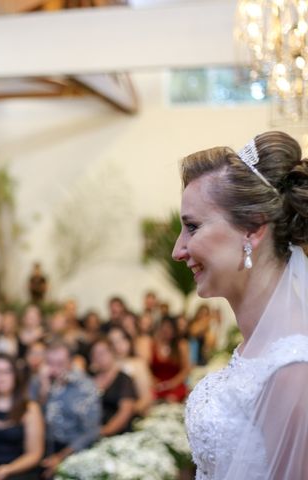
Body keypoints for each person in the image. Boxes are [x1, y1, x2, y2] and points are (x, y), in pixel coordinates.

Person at [172, 131, 308, 479]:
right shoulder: (256, 345)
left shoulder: (291, 370)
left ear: (253, 229)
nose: (178, 250)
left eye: (192, 227)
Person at [29, 341, 101, 479]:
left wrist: (61, 458)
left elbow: (91, 431)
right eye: (50, 363)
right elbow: (29, 418)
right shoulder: (38, 381)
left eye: (60, 364)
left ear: (70, 362)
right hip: (40, 448)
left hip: (73, 451)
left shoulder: (85, 386)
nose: (54, 369)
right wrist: (43, 389)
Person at [89, 339, 137, 436]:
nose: (100, 357)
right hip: (91, 432)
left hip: (117, 434)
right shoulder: (88, 379)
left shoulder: (123, 379)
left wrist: (105, 431)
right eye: (95, 354)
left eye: (103, 352)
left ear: (112, 353)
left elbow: (125, 412)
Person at [108, 325, 153, 415]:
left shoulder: (138, 364)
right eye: (113, 342)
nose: (118, 346)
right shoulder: (105, 365)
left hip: (131, 415)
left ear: (128, 341)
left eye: (121, 340)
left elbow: (146, 398)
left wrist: (125, 415)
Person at [148, 316, 190, 403]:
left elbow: (186, 369)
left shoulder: (181, 345)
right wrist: (153, 381)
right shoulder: (152, 344)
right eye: (163, 327)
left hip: (175, 384)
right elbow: (147, 367)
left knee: (171, 399)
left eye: (169, 328)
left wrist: (172, 383)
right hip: (156, 384)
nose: (166, 330)